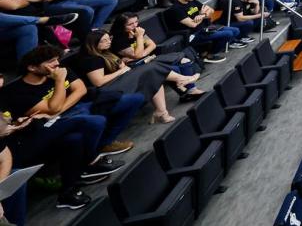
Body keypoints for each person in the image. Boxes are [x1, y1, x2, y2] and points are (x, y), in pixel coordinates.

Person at [0, 47, 130, 211]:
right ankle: (91, 161)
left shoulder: (3, 94)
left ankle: (67, 193)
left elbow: (77, 92)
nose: (56, 64)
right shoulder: (15, 90)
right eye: (51, 61)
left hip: (27, 132)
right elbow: (52, 109)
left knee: (74, 140)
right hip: (16, 146)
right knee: (93, 122)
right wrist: (60, 80)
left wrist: (17, 122)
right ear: (32, 67)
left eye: (0, 78)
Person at [69, 30, 199, 125]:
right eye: (104, 40)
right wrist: (121, 71)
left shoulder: (104, 53)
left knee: (153, 75)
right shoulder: (91, 59)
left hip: (120, 81)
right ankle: (181, 79)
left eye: (109, 39)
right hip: (109, 90)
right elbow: (98, 82)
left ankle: (162, 112)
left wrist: (123, 65)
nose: (108, 42)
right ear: (93, 43)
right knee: (151, 69)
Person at [108, 12, 202, 101]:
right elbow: (137, 55)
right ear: (121, 26)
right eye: (130, 24)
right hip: (134, 66)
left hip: (148, 59)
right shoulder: (118, 39)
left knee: (184, 61)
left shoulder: (137, 30)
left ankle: (191, 89)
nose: (135, 25)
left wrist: (142, 54)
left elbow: (152, 45)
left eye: (136, 22)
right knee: (172, 69)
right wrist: (139, 38)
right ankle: (186, 93)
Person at [162, 0, 244, 64]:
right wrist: (202, 15)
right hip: (193, 34)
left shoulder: (193, 1)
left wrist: (202, 15)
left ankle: (206, 50)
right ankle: (208, 55)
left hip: (205, 28)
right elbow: (192, 24)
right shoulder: (176, 9)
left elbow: (211, 10)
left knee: (236, 30)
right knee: (228, 34)